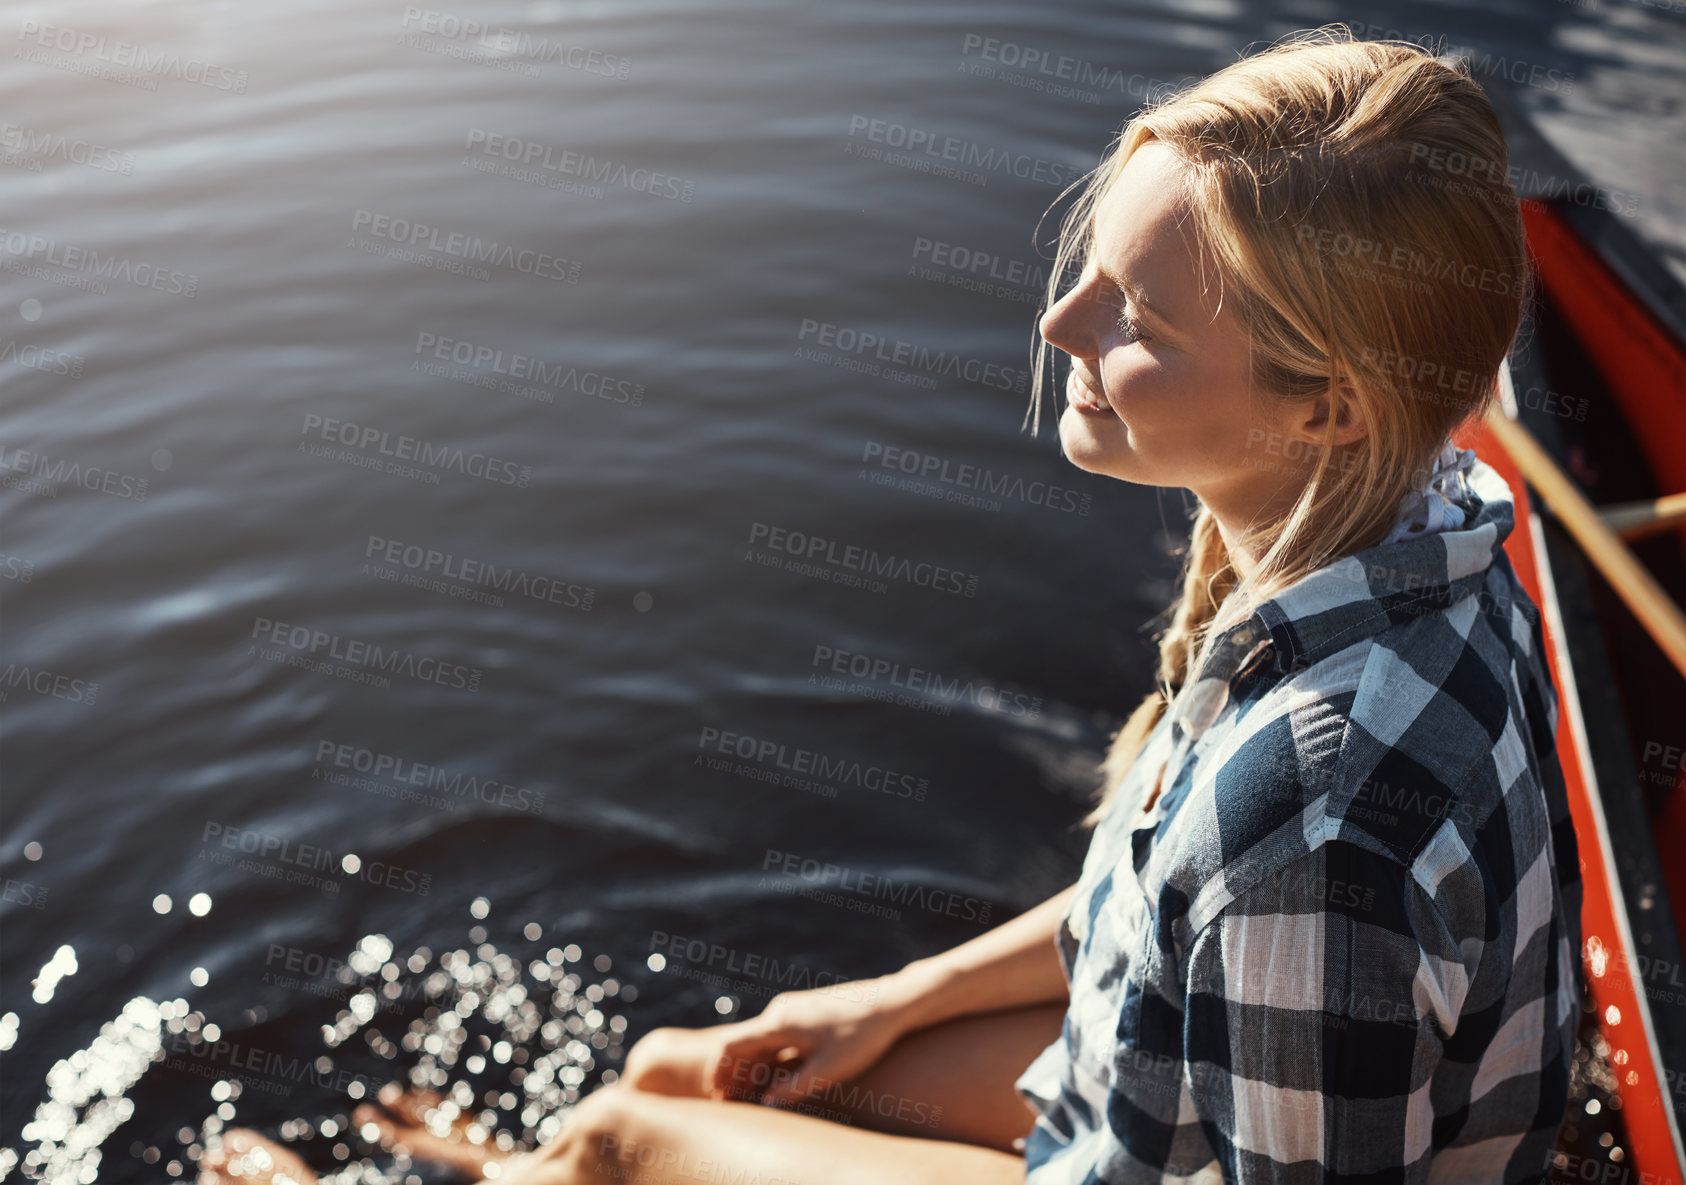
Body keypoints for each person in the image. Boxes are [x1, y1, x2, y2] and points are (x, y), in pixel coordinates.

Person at [202, 27, 1581, 1185]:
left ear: (1328, 407)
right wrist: (890, 999)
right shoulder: (1429, 527)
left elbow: (1264, 893)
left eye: (1139, 322)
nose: (1061, 328)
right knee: (681, 1068)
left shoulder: (1314, 827)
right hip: (1149, 1103)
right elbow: (1160, 904)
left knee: (629, 1137)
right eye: (1090, 268)